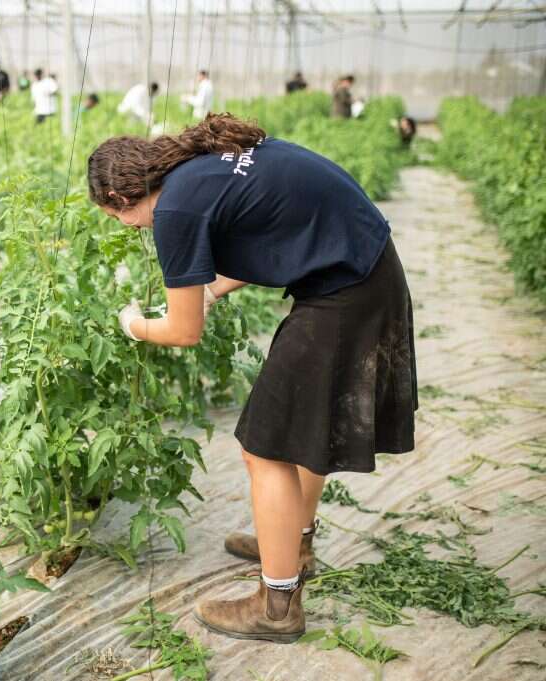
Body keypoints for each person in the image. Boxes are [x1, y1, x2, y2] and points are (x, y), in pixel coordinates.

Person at [86, 113, 416, 643]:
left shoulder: (172, 208)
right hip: (362, 272)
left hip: (347, 291)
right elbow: (274, 229)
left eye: (112, 216)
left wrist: (132, 324)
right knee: (300, 433)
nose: (123, 227)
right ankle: (294, 546)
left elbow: (182, 331)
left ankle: (277, 606)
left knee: (264, 448)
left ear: (119, 198)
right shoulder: (197, 169)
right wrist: (212, 290)